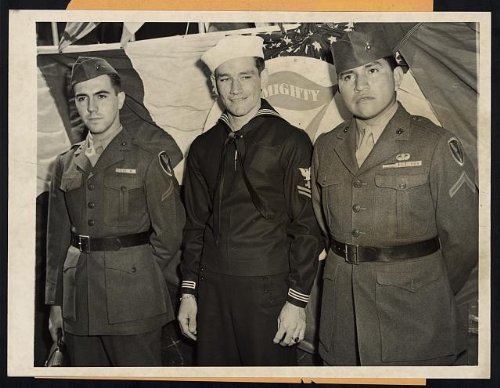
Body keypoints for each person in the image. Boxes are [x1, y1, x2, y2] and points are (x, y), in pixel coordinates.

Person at [311, 29, 478, 366]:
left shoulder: (435, 144)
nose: (360, 85)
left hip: (413, 320)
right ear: (339, 87)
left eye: (372, 71)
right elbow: (322, 220)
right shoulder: (325, 147)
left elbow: (464, 241)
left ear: (397, 76)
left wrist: (421, 284)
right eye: (348, 76)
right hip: (342, 317)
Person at [177, 35, 322, 366]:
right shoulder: (203, 147)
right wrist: (189, 292)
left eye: (245, 76)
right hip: (212, 289)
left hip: (268, 289)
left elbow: (307, 226)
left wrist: (296, 302)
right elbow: (195, 225)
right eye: (224, 79)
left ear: (263, 79)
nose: (235, 89)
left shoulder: (291, 140)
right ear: (215, 86)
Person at [45, 56, 186, 366]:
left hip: (133, 300)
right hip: (78, 300)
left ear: (120, 99)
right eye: (82, 98)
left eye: (101, 95)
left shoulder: (148, 158)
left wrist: (136, 269)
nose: (92, 107)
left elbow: (170, 233)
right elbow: (56, 240)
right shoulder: (65, 164)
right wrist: (55, 302)